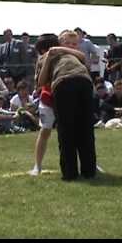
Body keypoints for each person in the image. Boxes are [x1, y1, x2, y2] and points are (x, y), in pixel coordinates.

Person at [37, 30, 97, 181]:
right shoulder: (46, 56)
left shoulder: (75, 55)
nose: (72, 46)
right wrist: (49, 59)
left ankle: (89, 171)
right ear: (59, 42)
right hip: (62, 84)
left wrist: (62, 49)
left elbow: (84, 58)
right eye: (67, 43)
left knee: (86, 128)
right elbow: (41, 82)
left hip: (84, 81)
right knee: (66, 130)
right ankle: (70, 173)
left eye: (74, 44)